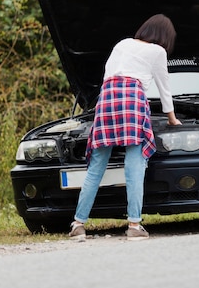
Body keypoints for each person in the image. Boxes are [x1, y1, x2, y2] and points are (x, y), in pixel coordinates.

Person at [69, 14, 181, 241]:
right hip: (132, 99)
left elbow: (107, 76)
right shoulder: (157, 51)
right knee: (135, 164)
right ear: (164, 37)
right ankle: (134, 225)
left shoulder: (122, 44)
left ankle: (78, 224)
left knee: (96, 165)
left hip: (107, 98)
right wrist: (171, 118)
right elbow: (164, 86)